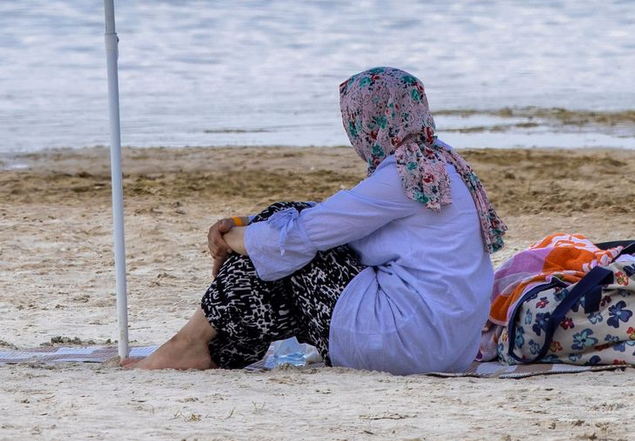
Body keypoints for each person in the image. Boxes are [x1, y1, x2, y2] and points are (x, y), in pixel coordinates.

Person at [124, 67, 506, 375]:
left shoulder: (403, 177)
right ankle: (213, 353)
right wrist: (248, 225)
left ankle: (186, 344)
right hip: (450, 348)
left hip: (402, 341)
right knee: (280, 239)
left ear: (370, 119)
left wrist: (234, 238)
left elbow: (305, 233)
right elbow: (340, 219)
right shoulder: (438, 164)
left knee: (283, 232)